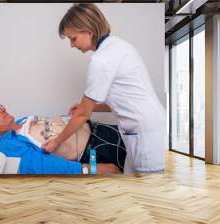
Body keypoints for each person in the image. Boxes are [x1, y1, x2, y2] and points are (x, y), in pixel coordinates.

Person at [42, 3, 166, 173]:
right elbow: (123, 100)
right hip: (146, 125)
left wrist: (57, 141)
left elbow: (83, 114)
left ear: (88, 31)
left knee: (149, 190)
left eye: (73, 38)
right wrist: (91, 107)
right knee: (132, 181)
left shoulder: (102, 60)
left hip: (144, 132)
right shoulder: (118, 46)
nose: (72, 45)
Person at [0, 101, 126, 175]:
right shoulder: (9, 143)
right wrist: (93, 169)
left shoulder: (23, 120)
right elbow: (44, 166)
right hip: (97, 151)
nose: (3, 109)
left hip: (103, 128)